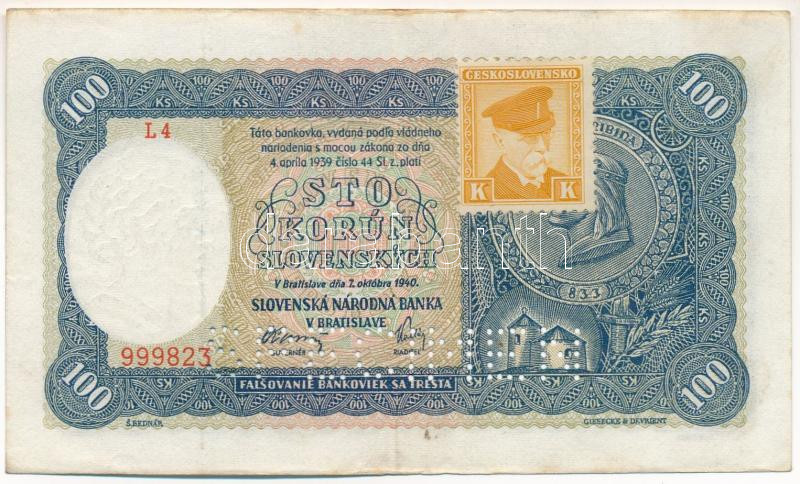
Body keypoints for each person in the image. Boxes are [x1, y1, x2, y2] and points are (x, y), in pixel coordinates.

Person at [482, 86, 566, 200]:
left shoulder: (563, 181)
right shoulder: (488, 192)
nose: (542, 147)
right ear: (500, 142)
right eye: (529, 137)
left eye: (546, 133)